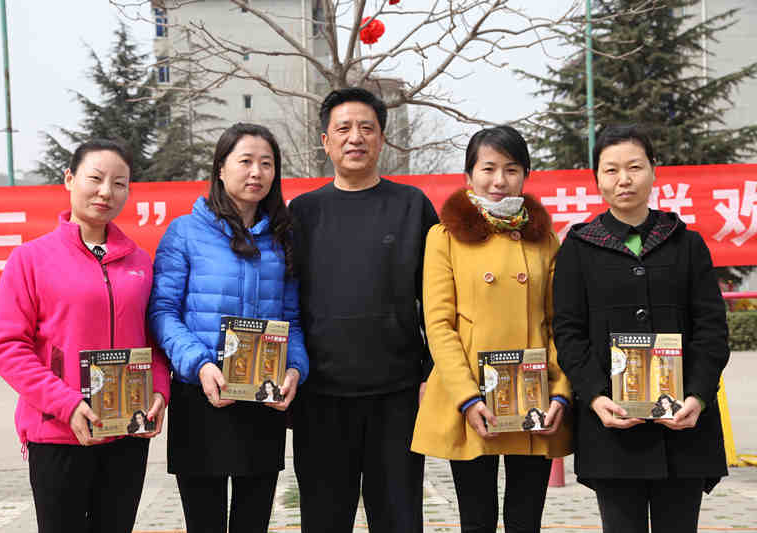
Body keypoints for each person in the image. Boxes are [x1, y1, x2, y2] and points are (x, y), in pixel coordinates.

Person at [0, 139, 171, 533]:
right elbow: (6, 347)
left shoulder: (140, 261)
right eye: (95, 179)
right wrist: (66, 404)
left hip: (127, 432)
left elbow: (154, 342)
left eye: (119, 183)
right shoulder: (30, 260)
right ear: (69, 179)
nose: (106, 192)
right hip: (58, 432)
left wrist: (159, 391)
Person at [553, 124, 729, 533]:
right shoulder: (578, 248)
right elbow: (569, 332)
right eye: (611, 170)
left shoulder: (687, 244)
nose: (624, 179)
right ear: (597, 178)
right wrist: (595, 396)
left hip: (683, 426)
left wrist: (698, 396)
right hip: (612, 429)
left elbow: (711, 328)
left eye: (634, 167)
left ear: (654, 170)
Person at [290, 86, 439, 532]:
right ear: (325, 141)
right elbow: (287, 303)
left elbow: (437, 300)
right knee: (323, 520)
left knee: (399, 519)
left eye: (366, 128)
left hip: (397, 396)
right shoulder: (303, 213)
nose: (355, 137)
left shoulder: (412, 206)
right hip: (320, 398)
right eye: (343, 129)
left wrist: (433, 372)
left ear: (382, 138)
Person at [148, 123, 309, 533]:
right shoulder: (185, 232)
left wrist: (294, 369)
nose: (257, 172)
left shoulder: (281, 237)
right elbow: (163, 312)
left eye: (267, 164)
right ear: (220, 168)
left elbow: (292, 318)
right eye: (246, 161)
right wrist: (199, 365)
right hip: (201, 397)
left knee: (253, 522)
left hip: (263, 398)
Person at [411, 126, 572, 533]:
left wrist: (561, 391)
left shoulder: (544, 239)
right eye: (488, 168)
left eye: (511, 169)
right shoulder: (444, 237)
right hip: (472, 397)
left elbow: (561, 323)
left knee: (525, 519)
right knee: (476, 519)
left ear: (526, 175)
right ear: (469, 175)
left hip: (535, 395)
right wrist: (466, 397)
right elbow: (439, 325)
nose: (499, 180)